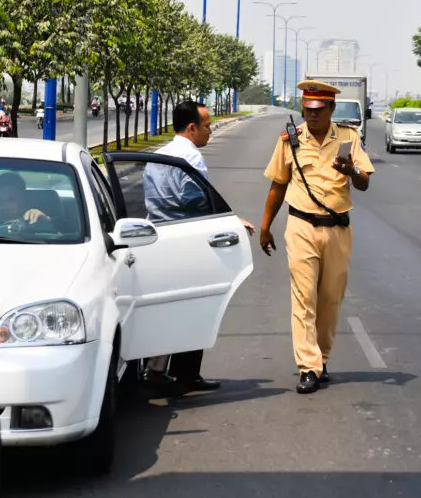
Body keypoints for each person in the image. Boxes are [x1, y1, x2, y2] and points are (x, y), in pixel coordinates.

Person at [259, 79, 374, 394]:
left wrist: (350, 170)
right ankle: (308, 366)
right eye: (307, 109)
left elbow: (364, 183)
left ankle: (321, 360)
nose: (311, 116)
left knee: (330, 300)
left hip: (337, 228)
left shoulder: (349, 138)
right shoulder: (290, 141)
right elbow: (278, 185)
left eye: (318, 110)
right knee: (304, 297)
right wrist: (266, 225)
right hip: (301, 228)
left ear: (331, 109)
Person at [140, 99, 255, 394]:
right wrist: (228, 223)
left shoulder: (159, 154)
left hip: (155, 238)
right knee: (194, 308)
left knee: (164, 308)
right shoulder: (191, 159)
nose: (210, 131)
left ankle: (158, 369)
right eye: (206, 126)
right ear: (191, 128)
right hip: (185, 240)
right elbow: (195, 201)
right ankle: (185, 375)